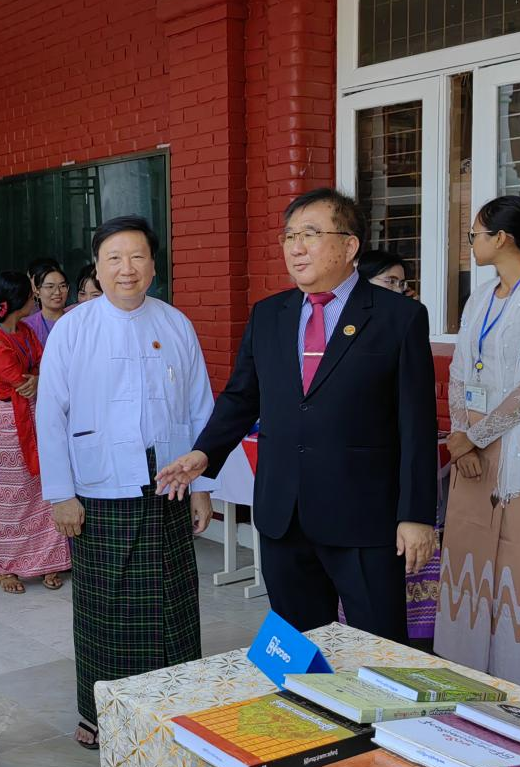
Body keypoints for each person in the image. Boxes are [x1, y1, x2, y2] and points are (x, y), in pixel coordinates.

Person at [158, 188, 439, 645]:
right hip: (282, 513)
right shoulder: (270, 314)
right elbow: (241, 397)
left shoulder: (398, 317)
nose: (296, 247)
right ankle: (309, 714)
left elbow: (417, 424)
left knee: (378, 645)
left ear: (349, 246)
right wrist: (204, 453)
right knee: (296, 643)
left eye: (310, 234)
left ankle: (372, 720)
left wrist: (416, 516)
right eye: (289, 236)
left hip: (363, 515)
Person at [37, 215, 215, 751]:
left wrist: (203, 486)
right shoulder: (74, 327)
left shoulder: (175, 323)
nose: (126, 269)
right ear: (97, 267)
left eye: (137, 257)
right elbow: (50, 414)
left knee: (172, 597)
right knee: (103, 602)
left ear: (154, 265)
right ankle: (99, 711)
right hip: (99, 487)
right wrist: (61, 493)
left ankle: (176, 700)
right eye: (113, 258)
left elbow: (199, 406)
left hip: (169, 484)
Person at [434, 195, 520, 687]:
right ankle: (461, 667)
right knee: (467, 538)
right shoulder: (479, 296)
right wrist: (458, 434)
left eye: (474, 234)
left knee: (519, 545)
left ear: (503, 238)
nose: (470, 242)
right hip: (471, 433)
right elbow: (455, 371)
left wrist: (472, 438)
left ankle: (512, 678)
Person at [0, 271, 71, 594]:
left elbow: (44, 365)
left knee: (46, 490)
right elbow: (16, 378)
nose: (35, 300)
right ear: (18, 301)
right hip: (11, 421)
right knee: (13, 497)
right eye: (31, 296)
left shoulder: (24, 331)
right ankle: (9, 567)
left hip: (38, 415)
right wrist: (35, 378)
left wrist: (36, 377)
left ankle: (50, 561)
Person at [23, 257, 68, 345]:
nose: (57, 292)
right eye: (50, 287)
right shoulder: (27, 327)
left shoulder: (77, 321)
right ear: (37, 290)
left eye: (62, 286)